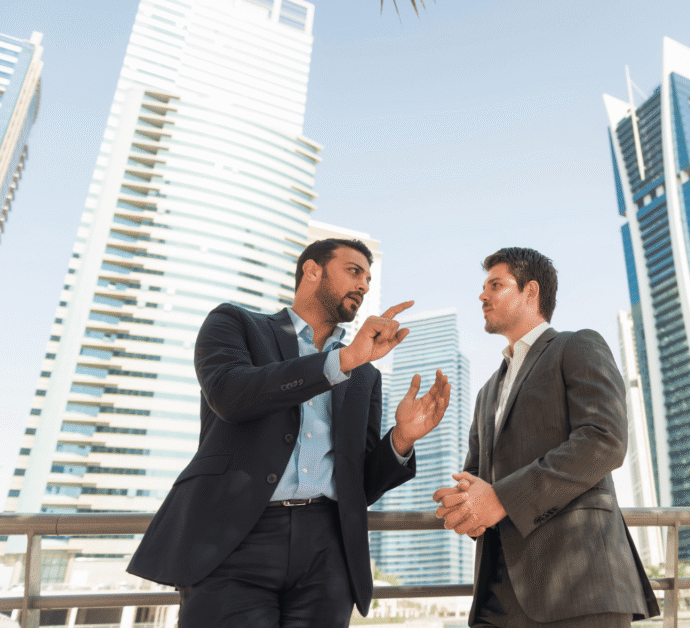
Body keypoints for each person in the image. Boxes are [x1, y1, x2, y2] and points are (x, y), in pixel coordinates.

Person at [128, 238, 451, 628]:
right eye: (353, 271)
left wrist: (402, 438)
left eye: (368, 278)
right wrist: (342, 360)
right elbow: (230, 396)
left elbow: (359, 485)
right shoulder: (236, 324)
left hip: (327, 550)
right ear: (312, 271)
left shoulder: (365, 374)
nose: (364, 285)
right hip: (233, 538)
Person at [433, 247, 659, 627]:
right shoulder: (487, 391)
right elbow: (478, 479)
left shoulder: (577, 345)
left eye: (495, 285)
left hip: (578, 587)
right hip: (497, 595)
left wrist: (500, 499)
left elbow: (604, 440)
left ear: (531, 291)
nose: (482, 295)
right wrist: (464, 503)